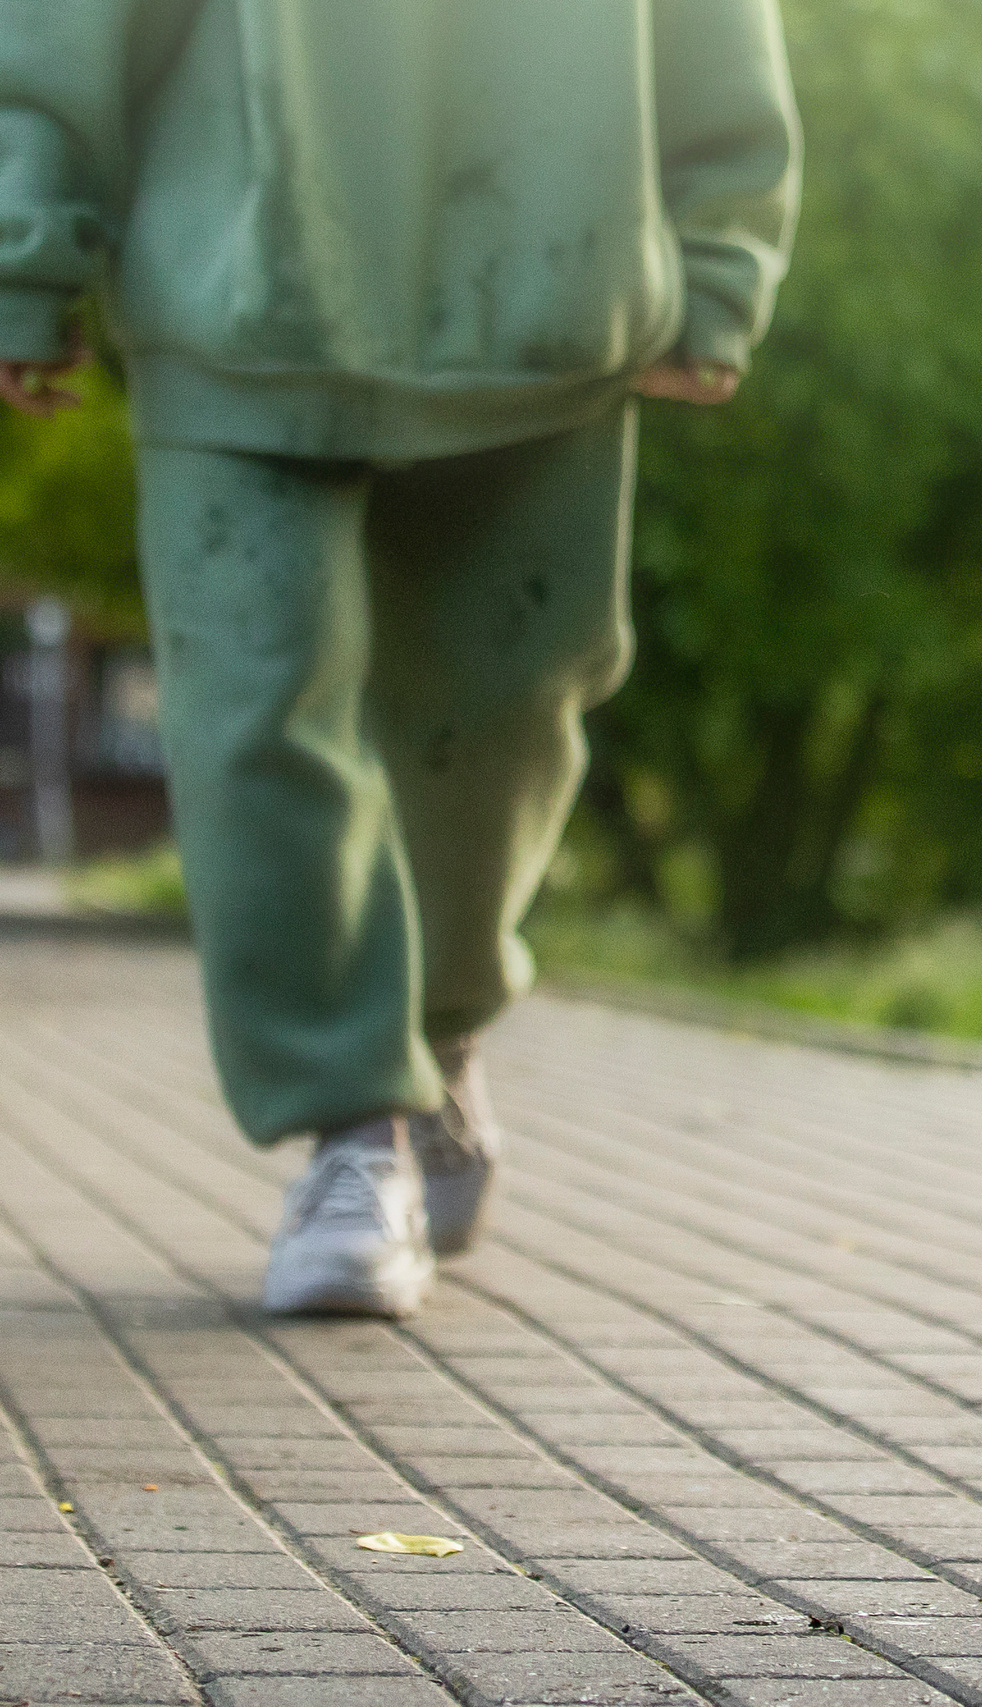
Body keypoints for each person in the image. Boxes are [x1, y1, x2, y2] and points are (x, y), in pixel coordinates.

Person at [0, 2, 800, 1316]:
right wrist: (27, 241)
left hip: (551, 269)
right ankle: (356, 1126)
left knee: (504, 714)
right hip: (236, 275)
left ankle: (440, 1028)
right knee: (255, 706)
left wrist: (723, 249)